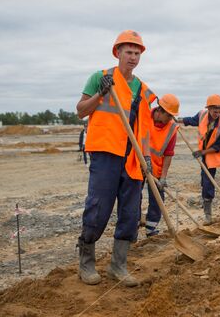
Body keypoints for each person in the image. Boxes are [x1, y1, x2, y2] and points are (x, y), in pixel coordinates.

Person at [75, 30, 156, 287]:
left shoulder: (142, 89)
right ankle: (86, 264)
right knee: (98, 208)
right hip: (106, 153)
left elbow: (143, 129)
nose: (132, 57)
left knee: (131, 213)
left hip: (132, 158)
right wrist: (100, 94)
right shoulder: (100, 78)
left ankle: (118, 266)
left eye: (137, 53)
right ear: (117, 53)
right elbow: (80, 112)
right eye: (128, 52)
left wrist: (147, 158)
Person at [178, 94, 220, 225]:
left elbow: (218, 146)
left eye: (219, 109)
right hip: (208, 155)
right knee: (207, 182)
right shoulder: (202, 115)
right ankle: (208, 215)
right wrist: (177, 121)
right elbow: (191, 120)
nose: (217, 112)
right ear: (208, 108)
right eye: (215, 110)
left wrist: (201, 152)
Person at [144, 94, 180, 237]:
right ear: (160, 111)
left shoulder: (171, 128)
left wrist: (163, 177)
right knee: (133, 198)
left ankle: (150, 229)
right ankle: (131, 230)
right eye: (170, 115)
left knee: (158, 200)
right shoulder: (144, 117)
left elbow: (168, 154)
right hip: (138, 164)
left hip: (156, 169)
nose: (171, 119)